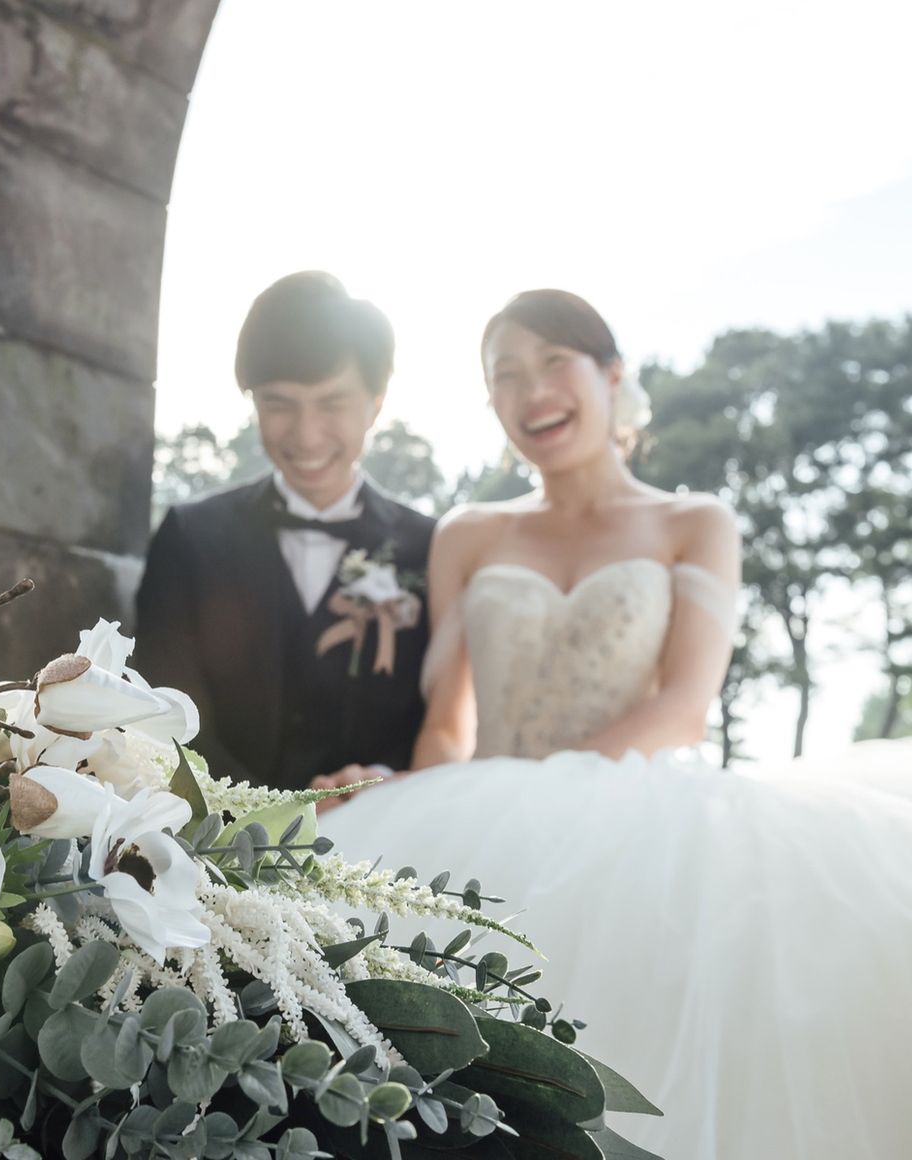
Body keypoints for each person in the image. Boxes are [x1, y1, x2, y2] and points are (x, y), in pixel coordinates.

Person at [320, 289, 912, 1160]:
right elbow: (447, 724)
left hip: (644, 823)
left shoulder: (694, 522)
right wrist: (413, 791)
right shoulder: (468, 535)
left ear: (610, 375)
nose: (532, 392)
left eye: (554, 362)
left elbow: (683, 706)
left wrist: (537, 792)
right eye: (505, 375)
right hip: (483, 818)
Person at [133, 272, 435, 792]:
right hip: (217, 830)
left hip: (379, 827)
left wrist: (377, 785)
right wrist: (266, 816)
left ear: (376, 403)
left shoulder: (431, 549)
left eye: (332, 403)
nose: (306, 435)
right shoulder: (190, 537)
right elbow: (165, 714)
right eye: (278, 404)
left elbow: (441, 718)